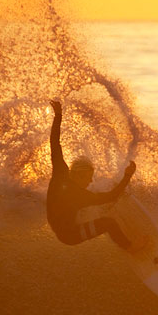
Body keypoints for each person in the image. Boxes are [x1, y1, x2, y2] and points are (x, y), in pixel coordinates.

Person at [46, 99, 137, 250]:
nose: (89, 182)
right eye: (88, 178)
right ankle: (129, 246)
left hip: (58, 223)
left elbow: (55, 144)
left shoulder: (60, 173)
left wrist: (58, 116)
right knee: (108, 223)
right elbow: (111, 196)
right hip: (69, 235)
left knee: (93, 205)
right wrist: (127, 176)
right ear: (80, 175)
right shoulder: (80, 195)